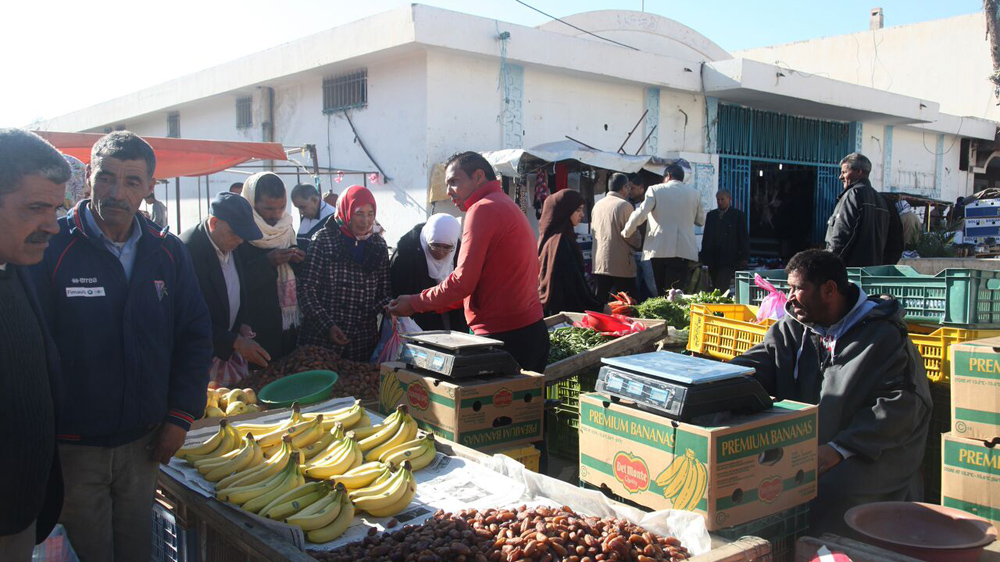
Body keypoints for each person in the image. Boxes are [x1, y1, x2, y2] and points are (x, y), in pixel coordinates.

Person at [29, 131, 212, 562]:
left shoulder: (167, 252)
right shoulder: (51, 245)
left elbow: (194, 334)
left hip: (144, 445)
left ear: (150, 188)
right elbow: (30, 344)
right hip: (74, 449)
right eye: (107, 177)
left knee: (134, 550)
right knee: (88, 552)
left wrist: (180, 416)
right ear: (89, 178)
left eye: (132, 181)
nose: (116, 192)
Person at [731, 249, 930, 536]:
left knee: (825, 495)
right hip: (810, 445)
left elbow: (900, 407)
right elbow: (763, 361)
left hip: (874, 450)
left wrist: (839, 449)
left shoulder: (883, 336)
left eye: (797, 288)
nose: (788, 297)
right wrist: (718, 379)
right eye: (788, 288)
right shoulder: (794, 325)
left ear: (829, 289)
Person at [387, 152, 548, 372]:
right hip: (528, 331)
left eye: (454, 181)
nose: (448, 191)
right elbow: (476, 283)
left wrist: (415, 302)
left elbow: (463, 282)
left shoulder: (482, 209)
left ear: (479, 176)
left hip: (505, 337)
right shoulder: (503, 204)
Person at [0, 129, 68, 562]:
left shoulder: (18, 269)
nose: (53, 225)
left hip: (21, 517)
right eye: (36, 208)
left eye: (56, 208)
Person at [180, 193, 270, 386]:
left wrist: (241, 324)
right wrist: (233, 341)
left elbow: (235, 289)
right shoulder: (186, 252)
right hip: (197, 359)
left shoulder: (231, 244)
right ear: (214, 223)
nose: (240, 241)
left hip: (225, 351)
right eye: (235, 234)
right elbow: (184, 319)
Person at [298, 185, 392, 360]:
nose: (365, 220)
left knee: (355, 385)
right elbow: (306, 289)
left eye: (370, 214)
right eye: (359, 213)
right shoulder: (324, 240)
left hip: (362, 341)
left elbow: (384, 293)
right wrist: (327, 326)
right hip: (323, 340)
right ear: (346, 211)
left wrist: (389, 308)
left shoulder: (378, 245)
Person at [236, 172, 304, 362]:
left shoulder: (286, 227)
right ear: (252, 203)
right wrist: (267, 262)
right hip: (254, 325)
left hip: (286, 323)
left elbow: (297, 274)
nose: (275, 215)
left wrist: (296, 258)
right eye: (268, 209)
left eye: (281, 208)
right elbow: (235, 280)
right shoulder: (239, 230)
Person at [622, 163, 705, 294]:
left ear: (668, 175)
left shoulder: (655, 190)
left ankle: (662, 313)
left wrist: (627, 231)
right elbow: (700, 221)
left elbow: (640, 213)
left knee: (662, 292)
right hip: (683, 251)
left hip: (659, 249)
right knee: (676, 293)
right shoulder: (695, 194)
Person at [389, 213, 468, 332]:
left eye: (447, 247)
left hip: (454, 326)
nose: (440, 252)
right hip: (416, 329)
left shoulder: (460, 256)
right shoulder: (405, 256)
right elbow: (397, 295)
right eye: (435, 245)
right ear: (427, 240)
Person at [537, 189, 604, 315]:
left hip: (553, 310)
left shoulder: (549, 237)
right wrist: (597, 306)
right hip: (564, 313)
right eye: (578, 210)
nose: (582, 215)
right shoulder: (560, 241)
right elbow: (574, 283)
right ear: (565, 211)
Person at [825, 153, 891, 267]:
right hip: (871, 271)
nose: (840, 177)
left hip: (850, 271)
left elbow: (842, 235)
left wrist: (828, 264)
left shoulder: (853, 194)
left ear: (859, 172)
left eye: (844, 172)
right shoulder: (880, 199)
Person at [591, 173, 641, 300]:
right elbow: (631, 234)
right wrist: (639, 242)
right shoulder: (625, 205)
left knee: (600, 302)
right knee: (628, 303)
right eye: (628, 188)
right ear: (624, 188)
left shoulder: (597, 205)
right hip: (621, 263)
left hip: (600, 263)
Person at [700, 189, 749, 292]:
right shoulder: (711, 215)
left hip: (728, 257)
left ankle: (720, 305)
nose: (720, 202)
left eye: (723, 199)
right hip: (713, 257)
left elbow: (743, 237)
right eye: (718, 199)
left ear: (729, 199)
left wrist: (744, 256)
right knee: (714, 283)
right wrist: (703, 255)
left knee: (722, 285)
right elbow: (706, 237)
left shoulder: (738, 216)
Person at [291, 183, 335, 250]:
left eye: (302, 207)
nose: (301, 212)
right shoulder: (306, 216)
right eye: (298, 208)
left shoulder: (333, 217)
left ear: (314, 200)